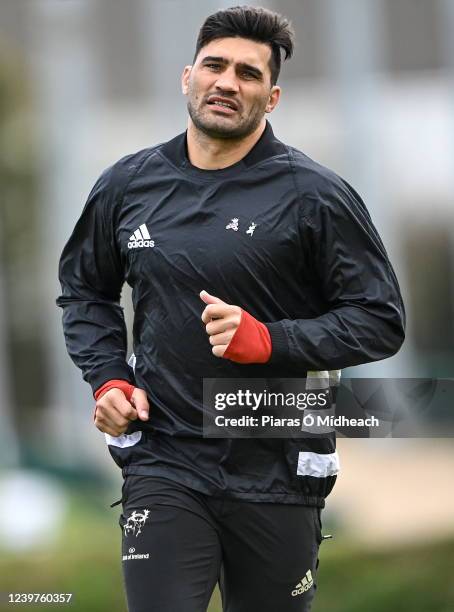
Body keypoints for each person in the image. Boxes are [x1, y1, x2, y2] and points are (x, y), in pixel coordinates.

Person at [56, 5, 405, 611]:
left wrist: (271, 341)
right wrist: (107, 377)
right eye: (215, 66)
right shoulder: (127, 184)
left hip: (278, 464)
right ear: (187, 76)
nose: (226, 82)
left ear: (271, 99)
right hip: (163, 459)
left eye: (247, 74)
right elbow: (84, 291)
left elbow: (380, 319)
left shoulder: (315, 195)